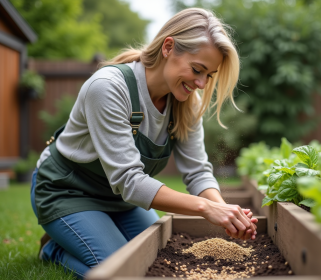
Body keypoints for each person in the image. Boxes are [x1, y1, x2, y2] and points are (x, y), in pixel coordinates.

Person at [30, 7, 257, 279]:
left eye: (208, 75)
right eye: (197, 69)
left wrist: (225, 212)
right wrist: (206, 208)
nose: (200, 83)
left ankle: (86, 232)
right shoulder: (109, 87)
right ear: (168, 47)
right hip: (66, 192)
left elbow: (197, 172)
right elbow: (129, 180)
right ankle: (54, 250)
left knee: (161, 257)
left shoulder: (186, 103)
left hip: (119, 200)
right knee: (124, 272)